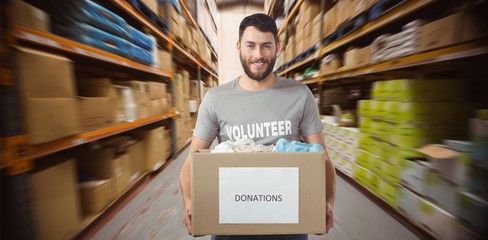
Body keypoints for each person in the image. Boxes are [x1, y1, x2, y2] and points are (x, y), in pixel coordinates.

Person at [179, 13, 336, 240]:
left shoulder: (300, 95)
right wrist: (190, 202)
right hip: (232, 222)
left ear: (278, 48)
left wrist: (328, 202)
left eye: (266, 46)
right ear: (239, 47)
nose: (258, 55)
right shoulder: (216, 99)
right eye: (250, 45)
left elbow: (323, 158)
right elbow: (191, 161)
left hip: (287, 223)